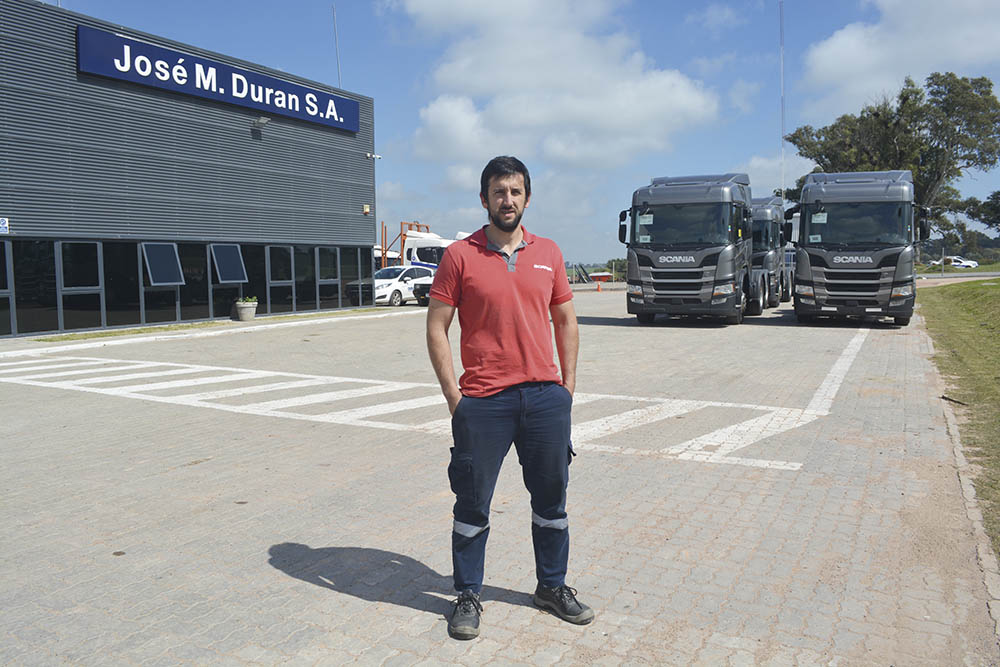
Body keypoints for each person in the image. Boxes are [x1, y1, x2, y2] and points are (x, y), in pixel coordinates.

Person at [425, 156, 593, 640]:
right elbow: (437, 327)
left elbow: (566, 321)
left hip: (544, 399)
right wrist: (457, 398)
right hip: (484, 403)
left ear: (527, 198)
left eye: (515, 191)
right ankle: (467, 595)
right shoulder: (459, 256)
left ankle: (551, 587)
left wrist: (567, 390)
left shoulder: (550, 253)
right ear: (484, 199)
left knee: (551, 501)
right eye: (499, 192)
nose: (508, 200)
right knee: (473, 503)